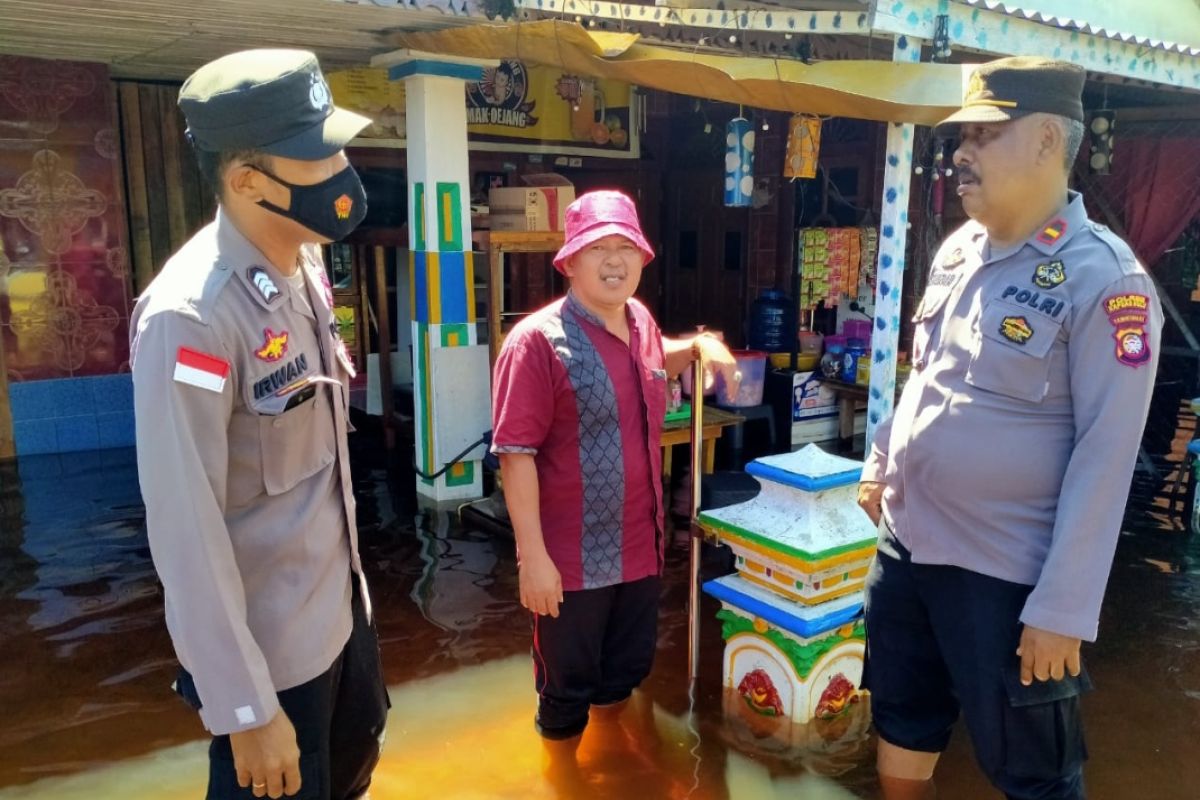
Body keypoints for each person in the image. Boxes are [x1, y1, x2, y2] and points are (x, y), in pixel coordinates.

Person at [858, 56, 1162, 800]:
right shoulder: (960, 250)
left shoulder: (1108, 282)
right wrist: (880, 457)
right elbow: (927, 374)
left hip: (1004, 572)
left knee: (1035, 775)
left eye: (987, 133)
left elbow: (1107, 454)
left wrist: (1063, 611)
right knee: (902, 718)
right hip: (907, 544)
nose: (961, 151)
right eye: (962, 134)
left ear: (1049, 142)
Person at [130, 50, 388, 800]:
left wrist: (358, 625)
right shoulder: (192, 318)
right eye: (317, 155)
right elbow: (186, 529)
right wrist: (244, 708)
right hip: (272, 667)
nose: (340, 167)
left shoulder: (302, 266)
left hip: (340, 622)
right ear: (247, 181)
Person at [490, 190, 738, 746]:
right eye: (597, 247)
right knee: (565, 691)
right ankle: (562, 780)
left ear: (642, 258)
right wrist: (532, 560)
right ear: (569, 262)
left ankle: (611, 768)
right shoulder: (537, 343)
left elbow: (653, 360)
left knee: (624, 676)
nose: (614, 261)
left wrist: (698, 345)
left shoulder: (641, 321)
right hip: (571, 562)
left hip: (639, 549)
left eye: (625, 247)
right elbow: (515, 453)